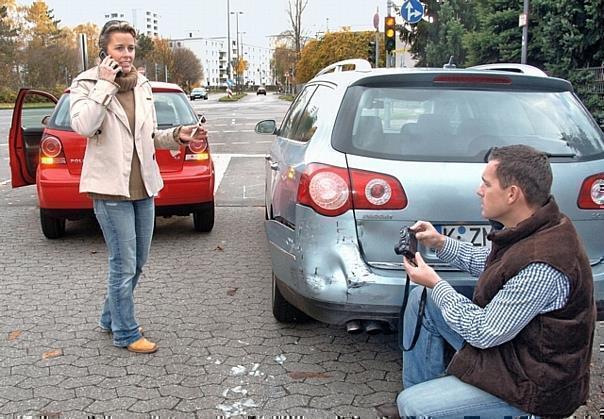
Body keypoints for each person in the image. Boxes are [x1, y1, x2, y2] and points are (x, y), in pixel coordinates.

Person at [385, 145, 595, 417]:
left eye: (486, 184)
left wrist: (436, 284)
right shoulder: (535, 225)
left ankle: (426, 409)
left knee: (412, 405)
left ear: (512, 194)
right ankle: (437, 404)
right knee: (422, 299)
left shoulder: (543, 264)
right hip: (514, 352)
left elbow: (484, 332)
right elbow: (491, 263)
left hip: (534, 387)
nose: (478, 190)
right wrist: (439, 243)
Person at [69, 20, 208, 354]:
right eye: (119, 48)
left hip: (144, 187)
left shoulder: (142, 85)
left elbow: (148, 136)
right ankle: (126, 333)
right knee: (123, 263)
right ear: (106, 50)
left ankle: (109, 318)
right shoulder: (86, 83)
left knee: (139, 262)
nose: (127, 54)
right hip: (110, 190)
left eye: (130, 47)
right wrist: (105, 85)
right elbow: (83, 126)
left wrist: (178, 135)